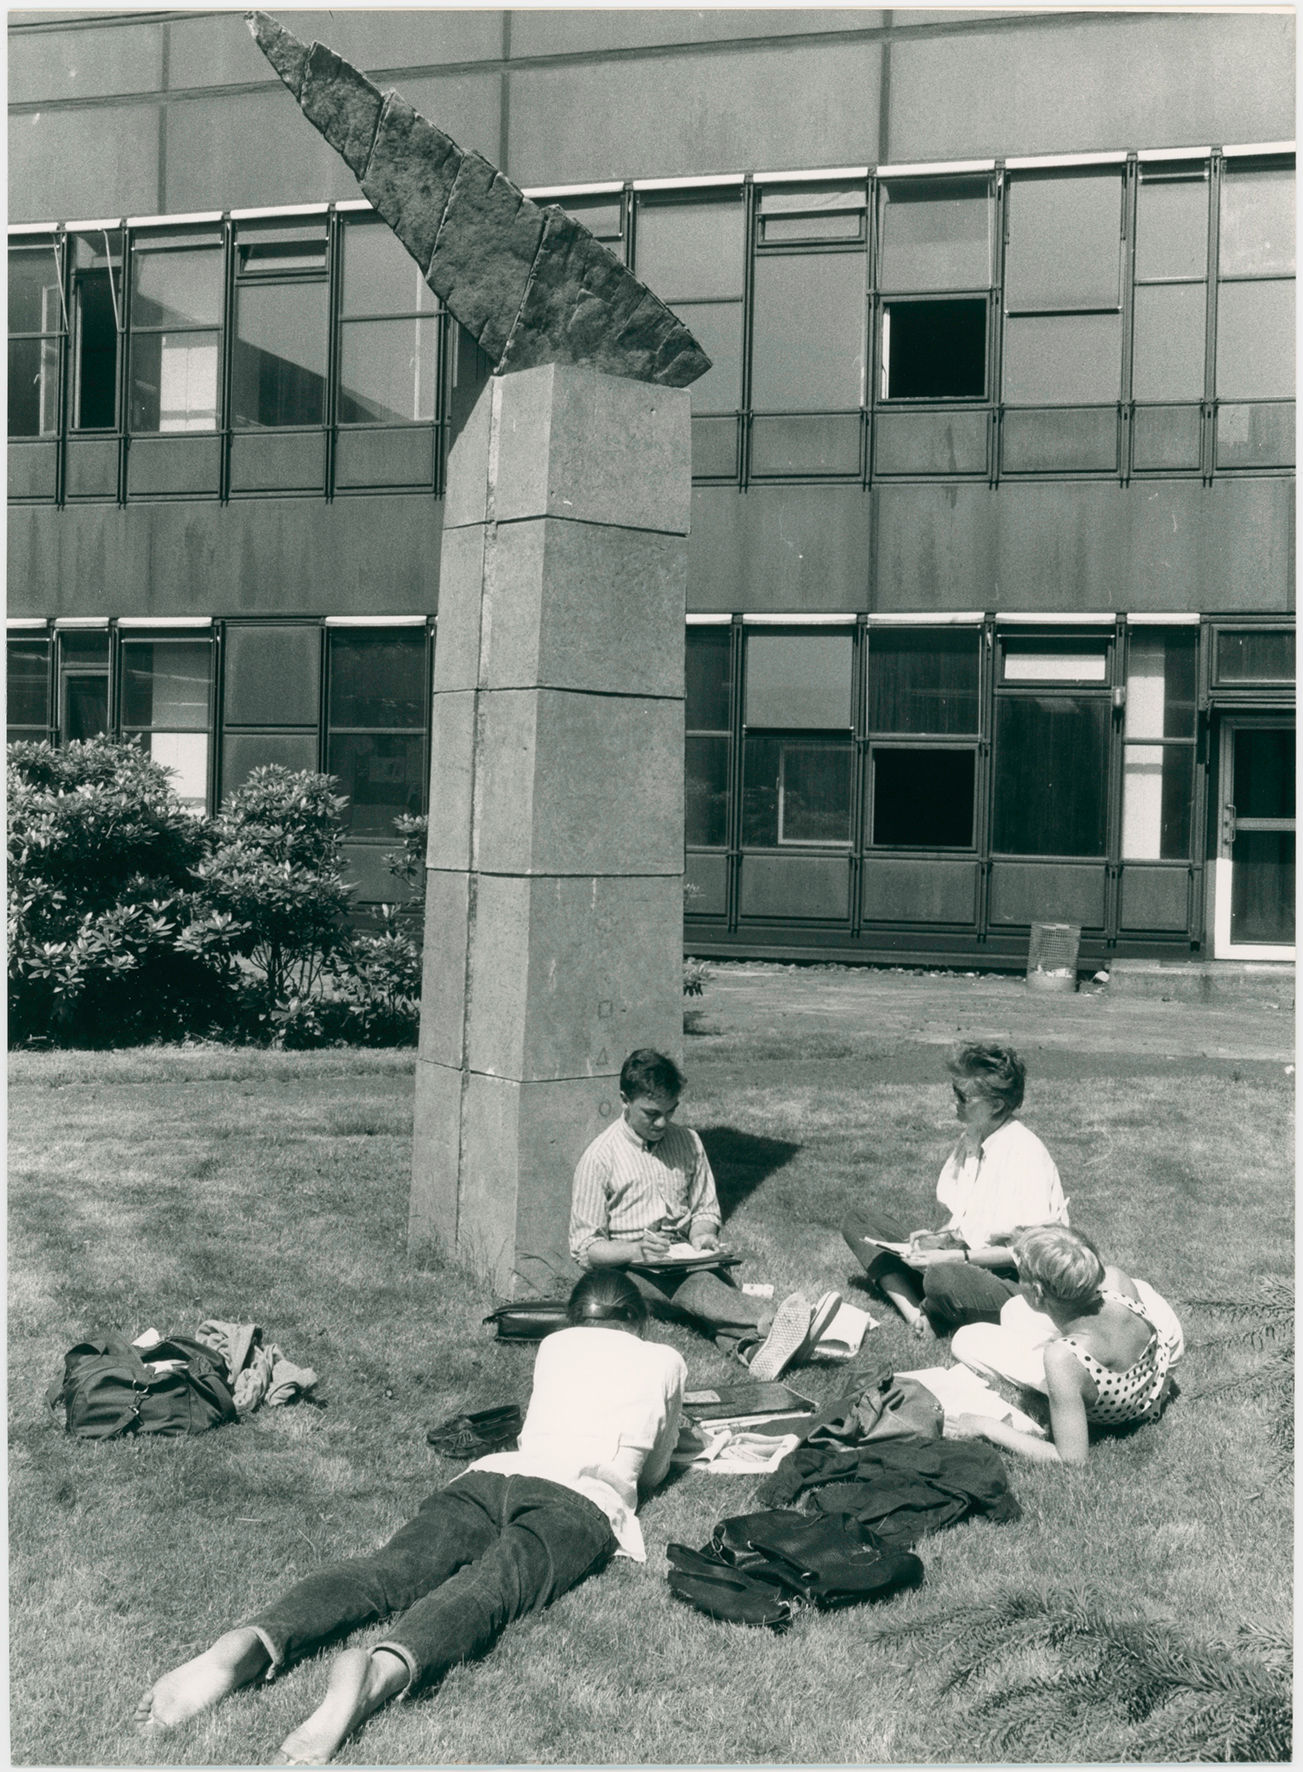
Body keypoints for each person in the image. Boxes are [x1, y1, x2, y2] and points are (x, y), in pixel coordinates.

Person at [135, 1272, 687, 1765]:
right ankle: (380, 1672)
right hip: (576, 1497)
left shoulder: (555, 1347)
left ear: (574, 1318)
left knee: (389, 1569)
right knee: (491, 1589)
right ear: (637, 1321)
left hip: (493, 1473)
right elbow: (656, 1469)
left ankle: (253, 1641)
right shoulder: (666, 1361)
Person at [570, 1048, 839, 1380]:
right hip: (628, 1271)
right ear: (625, 1099)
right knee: (697, 1288)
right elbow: (586, 1249)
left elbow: (706, 1209)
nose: (661, 1123)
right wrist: (635, 1249)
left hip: (683, 1257)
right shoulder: (599, 1157)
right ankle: (780, 1319)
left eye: (670, 1112)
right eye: (651, 1114)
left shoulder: (689, 1142)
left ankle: (751, 1351)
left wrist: (702, 1234)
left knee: (705, 1292)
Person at [842, 1041, 1067, 1336]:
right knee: (859, 1221)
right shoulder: (973, 1137)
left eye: (962, 1096)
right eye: (954, 1092)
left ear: (996, 1105)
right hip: (966, 1259)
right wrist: (940, 1238)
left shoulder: (1026, 1153)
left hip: (1016, 1283)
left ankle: (936, 1306)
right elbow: (970, 1221)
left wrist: (951, 1258)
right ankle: (917, 1316)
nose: (954, 1102)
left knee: (942, 1276)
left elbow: (1026, 1254)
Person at [946, 1225, 1183, 1466]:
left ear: (1037, 1292)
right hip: (1152, 1381)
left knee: (965, 1340)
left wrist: (986, 1426)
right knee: (1012, 1311)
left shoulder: (1063, 1358)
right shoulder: (1117, 1280)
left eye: (1021, 1276)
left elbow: (1072, 1459)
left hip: (1121, 1408)